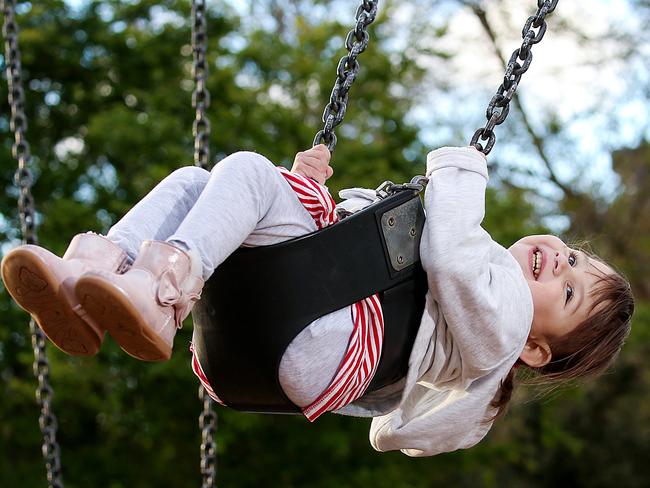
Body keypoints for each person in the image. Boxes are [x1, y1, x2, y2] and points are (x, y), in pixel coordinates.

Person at [1, 145, 634, 456]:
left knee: (244, 171)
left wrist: (461, 170)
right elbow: (355, 239)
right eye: (574, 257)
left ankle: (155, 295)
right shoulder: (481, 296)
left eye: (570, 291)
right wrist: (304, 188)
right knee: (202, 182)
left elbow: (449, 251)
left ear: (533, 348)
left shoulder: (500, 329)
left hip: (329, 330)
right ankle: (93, 280)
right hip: (304, 333)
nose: (561, 264)